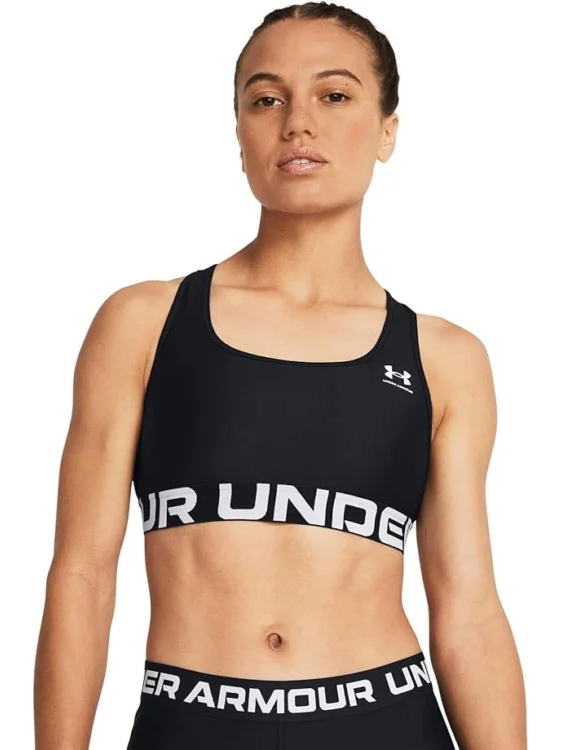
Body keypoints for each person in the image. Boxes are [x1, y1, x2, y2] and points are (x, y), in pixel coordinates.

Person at [34, 3, 526, 748]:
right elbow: (82, 577)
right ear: (239, 132)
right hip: (190, 724)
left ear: (387, 130)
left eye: (335, 95)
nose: (298, 123)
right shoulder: (143, 324)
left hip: (386, 725)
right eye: (267, 99)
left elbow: (469, 611)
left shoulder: (445, 358)